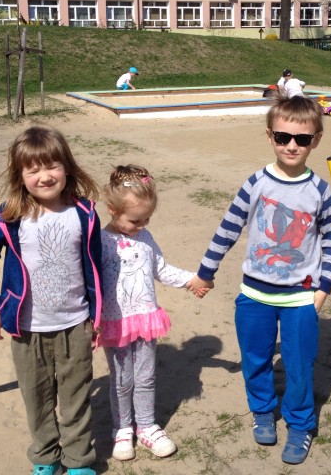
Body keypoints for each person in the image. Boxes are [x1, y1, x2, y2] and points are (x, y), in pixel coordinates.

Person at [196, 95, 331, 465]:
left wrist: (322, 291)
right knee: (256, 359)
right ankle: (262, 411)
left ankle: (300, 424)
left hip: (300, 299)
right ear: (269, 136)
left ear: (316, 140)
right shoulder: (256, 184)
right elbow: (228, 230)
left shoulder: (320, 191)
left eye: (302, 139)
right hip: (254, 296)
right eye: (282, 137)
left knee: (298, 367)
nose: (291, 145)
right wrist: (206, 272)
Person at [0, 125, 103, 475]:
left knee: (76, 398)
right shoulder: (9, 217)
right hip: (26, 327)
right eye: (33, 170)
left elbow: (95, 267)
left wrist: (98, 316)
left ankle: (78, 460)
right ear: (20, 175)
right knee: (36, 397)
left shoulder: (84, 214)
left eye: (52, 166)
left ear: (67, 167)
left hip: (75, 324)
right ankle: (46, 457)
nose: (44, 177)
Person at [100, 165, 208, 461]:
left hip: (147, 319)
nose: (142, 224)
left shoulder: (145, 237)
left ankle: (146, 426)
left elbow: (161, 268)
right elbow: (89, 281)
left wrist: (192, 280)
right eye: (135, 220)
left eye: (147, 218)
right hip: (115, 323)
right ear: (112, 209)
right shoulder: (100, 241)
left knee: (145, 377)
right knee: (121, 379)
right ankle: (122, 428)